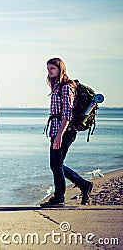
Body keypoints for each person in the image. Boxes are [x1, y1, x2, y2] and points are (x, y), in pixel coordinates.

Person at [41, 58, 93, 208]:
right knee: (56, 165)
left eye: (52, 68)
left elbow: (67, 114)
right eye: (48, 68)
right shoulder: (56, 86)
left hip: (65, 131)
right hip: (57, 130)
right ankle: (83, 185)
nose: (49, 71)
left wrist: (59, 135)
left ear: (60, 69)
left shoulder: (66, 87)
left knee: (56, 165)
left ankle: (60, 198)